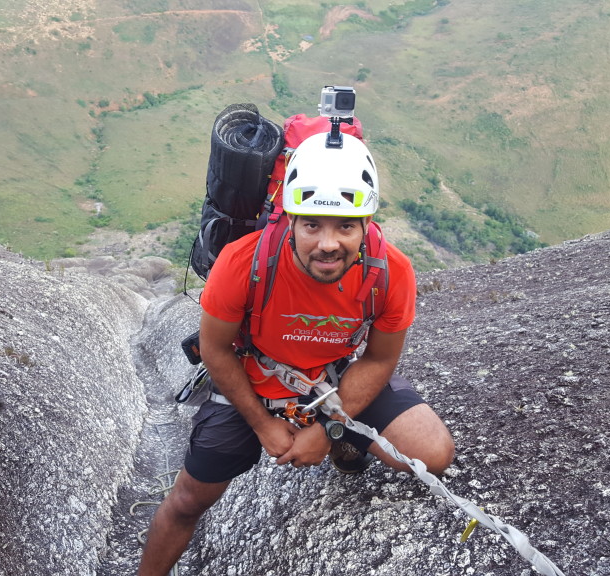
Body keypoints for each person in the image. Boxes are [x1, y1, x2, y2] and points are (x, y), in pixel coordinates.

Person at [137, 132, 455, 575]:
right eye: (312, 225)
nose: (328, 243)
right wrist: (264, 425)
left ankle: (345, 447)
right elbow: (214, 348)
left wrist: (327, 430)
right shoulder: (243, 262)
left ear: (366, 224)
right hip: (253, 376)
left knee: (432, 454)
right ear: (289, 219)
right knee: (189, 500)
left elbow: (380, 359)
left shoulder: (389, 271)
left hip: (332, 378)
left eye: (345, 225)